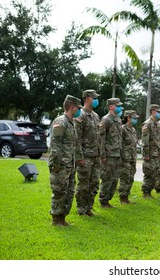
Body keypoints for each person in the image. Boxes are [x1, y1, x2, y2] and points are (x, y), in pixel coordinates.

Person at [48, 94, 82, 226]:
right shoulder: (60, 122)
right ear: (72, 107)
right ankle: (56, 219)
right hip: (61, 165)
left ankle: (62, 218)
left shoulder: (71, 123)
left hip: (69, 164)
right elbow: (55, 144)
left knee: (69, 192)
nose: (79, 110)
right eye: (77, 108)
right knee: (59, 191)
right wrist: (56, 164)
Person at [74, 89, 101, 217]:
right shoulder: (80, 115)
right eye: (93, 98)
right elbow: (77, 138)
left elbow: (98, 137)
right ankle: (81, 208)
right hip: (85, 157)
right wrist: (79, 157)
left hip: (95, 156)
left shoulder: (95, 116)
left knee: (94, 183)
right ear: (86, 99)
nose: (96, 100)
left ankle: (89, 207)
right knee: (83, 184)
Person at [99, 98, 123, 208]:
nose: (119, 107)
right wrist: (102, 155)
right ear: (111, 106)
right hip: (108, 156)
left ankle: (108, 199)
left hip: (117, 155)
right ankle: (103, 201)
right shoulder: (106, 120)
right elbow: (101, 139)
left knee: (115, 179)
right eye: (117, 105)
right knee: (107, 179)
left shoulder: (118, 119)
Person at [141, 104, 160, 198]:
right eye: (158, 112)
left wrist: (159, 152)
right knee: (149, 173)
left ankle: (149, 191)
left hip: (156, 153)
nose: (159, 114)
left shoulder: (157, 124)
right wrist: (146, 154)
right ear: (153, 111)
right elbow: (145, 141)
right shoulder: (148, 124)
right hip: (150, 154)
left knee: (155, 174)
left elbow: (157, 140)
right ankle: (145, 192)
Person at [119, 110, 139, 204]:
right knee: (125, 178)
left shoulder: (133, 130)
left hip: (132, 157)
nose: (135, 120)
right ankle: (122, 198)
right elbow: (120, 144)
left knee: (131, 178)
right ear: (128, 118)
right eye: (134, 118)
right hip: (125, 158)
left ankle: (126, 196)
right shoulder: (122, 129)